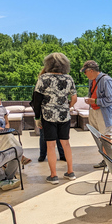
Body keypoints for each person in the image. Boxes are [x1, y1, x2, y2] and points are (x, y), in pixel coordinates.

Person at [32, 53, 77, 185]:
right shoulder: (69, 78)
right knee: (66, 144)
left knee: (50, 146)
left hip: (48, 116)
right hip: (64, 116)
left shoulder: (43, 78)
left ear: (48, 63)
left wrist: (37, 117)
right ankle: (70, 172)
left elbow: (37, 100)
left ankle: (54, 176)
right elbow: (74, 98)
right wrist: (67, 107)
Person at [81, 60, 112, 169]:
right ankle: (105, 159)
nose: (84, 74)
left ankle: (109, 162)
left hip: (103, 112)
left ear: (91, 71)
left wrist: (95, 101)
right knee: (99, 136)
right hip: (94, 111)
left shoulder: (106, 80)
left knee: (105, 137)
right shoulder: (92, 80)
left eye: (85, 72)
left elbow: (111, 99)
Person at [0, 92, 32, 165]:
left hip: (4, 133)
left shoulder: (2, 109)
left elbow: (7, 123)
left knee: (9, 136)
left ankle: (6, 161)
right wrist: (0, 130)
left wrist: (6, 130)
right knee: (9, 137)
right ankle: (20, 157)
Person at [30, 68, 66, 162]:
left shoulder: (42, 81)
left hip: (51, 112)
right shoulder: (43, 82)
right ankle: (54, 155)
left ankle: (44, 155)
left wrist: (37, 116)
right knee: (51, 135)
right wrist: (37, 117)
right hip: (48, 113)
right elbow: (36, 101)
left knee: (46, 135)